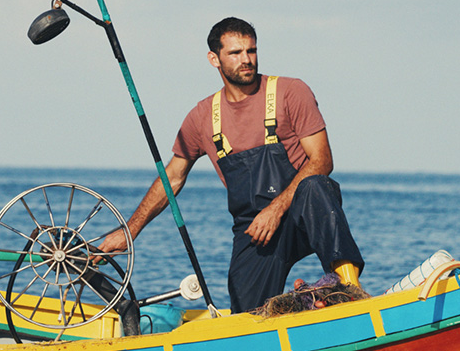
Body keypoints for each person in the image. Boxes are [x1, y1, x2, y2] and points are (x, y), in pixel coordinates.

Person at [98, 17, 364, 313]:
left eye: (251, 51)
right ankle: (296, 308)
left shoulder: (290, 92)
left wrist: (275, 210)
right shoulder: (202, 116)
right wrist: (129, 231)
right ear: (214, 59)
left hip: (300, 212)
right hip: (254, 229)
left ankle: (351, 293)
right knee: (248, 316)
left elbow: (322, 161)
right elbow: (172, 178)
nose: (246, 60)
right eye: (235, 53)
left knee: (316, 187)